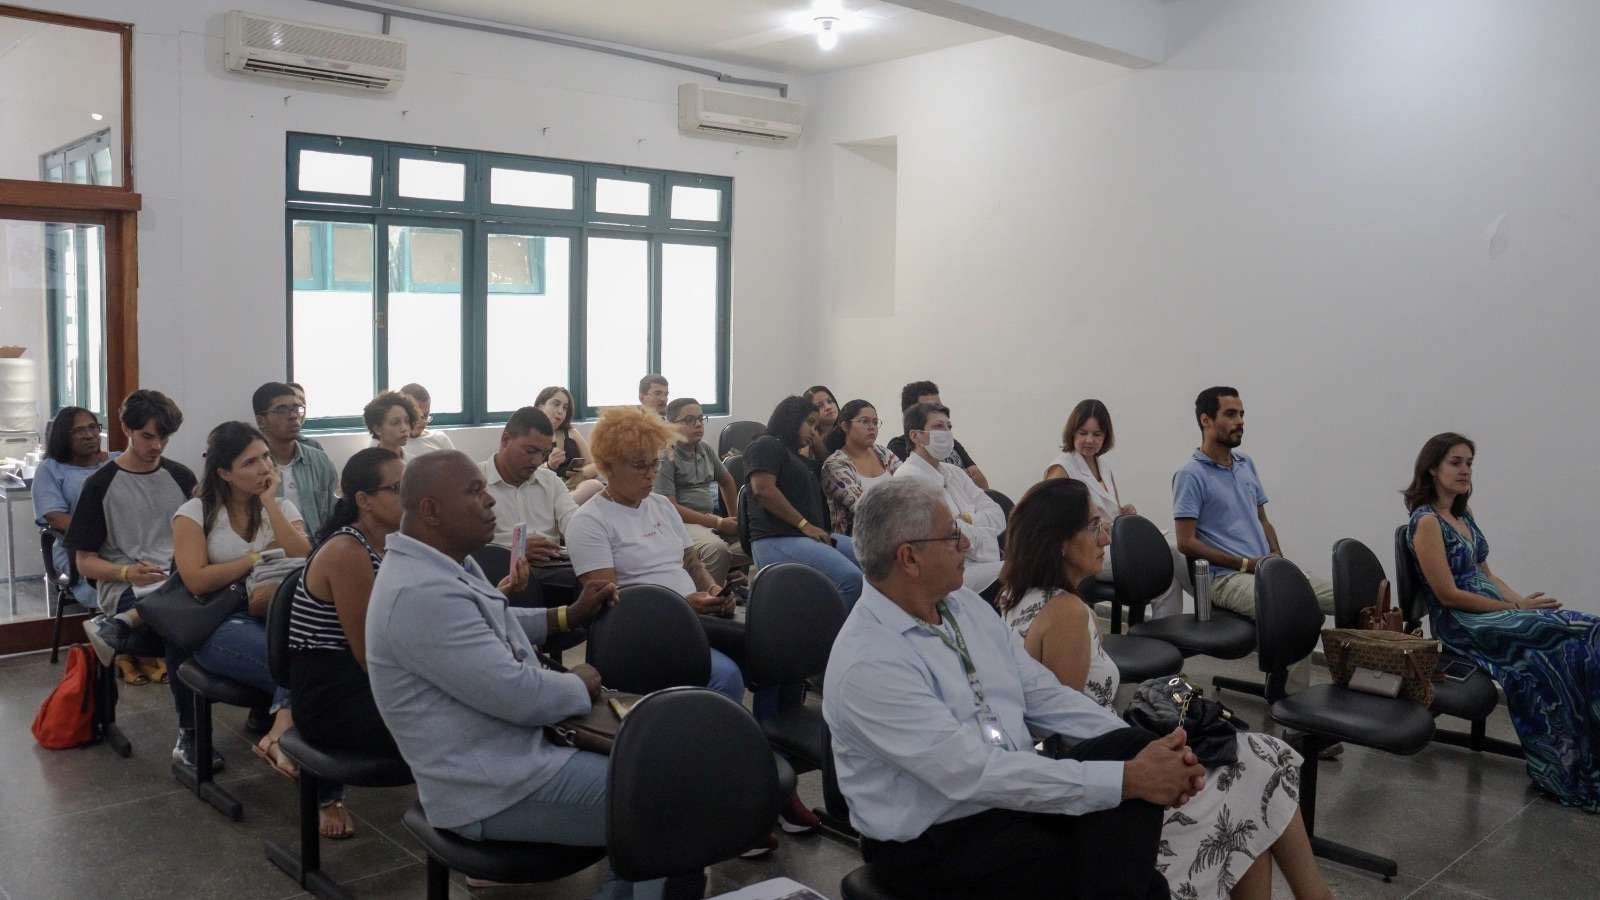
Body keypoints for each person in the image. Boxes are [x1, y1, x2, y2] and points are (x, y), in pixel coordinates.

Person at [823, 477, 1203, 900]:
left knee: (1128, 744)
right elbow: (972, 773)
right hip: (935, 840)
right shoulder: (869, 661)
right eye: (952, 535)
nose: (967, 543)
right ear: (909, 558)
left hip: (1007, 803)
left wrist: (1161, 751)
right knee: (1140, 881)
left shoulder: (962, 606)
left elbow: (1043, 693)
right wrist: (1126, 780)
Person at [363, 451, 697, 900]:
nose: (490, 503)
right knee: (673, 802)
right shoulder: (419, 593)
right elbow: (520, 695)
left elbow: (492, 623)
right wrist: (578, 682)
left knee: (660, 769)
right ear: (430, 510)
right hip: (491, 785)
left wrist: (566, 615)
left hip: (516, 752)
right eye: (475, 492)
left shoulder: (444, 562)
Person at [997, 478, 1332, 900]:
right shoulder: (1065, 612)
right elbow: (1068, 732)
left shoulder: (1017, 598)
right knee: (1264, 759)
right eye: (1093, 527)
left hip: (1100, 769)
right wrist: (1155, 759)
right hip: (1104, 795)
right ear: (1060, 542)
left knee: (1254, 774)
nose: (1105, 538)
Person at [1405, 433, 1600, 812]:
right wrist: (1511, 612)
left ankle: (1585, 753)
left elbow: (1488, 575)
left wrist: (1521, 602)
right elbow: (1447, 595)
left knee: (1584, 630)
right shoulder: (1426, 522)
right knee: (1573, 633)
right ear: (1432, 468)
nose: (1465, 470)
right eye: (1456, 462)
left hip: (1491, 610)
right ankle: (1564, 766)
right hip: (1462, 622)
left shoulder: (1463, 516)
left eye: (1469, 463)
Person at [68, 391, 210, 767]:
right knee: (181, 625)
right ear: (127, 429)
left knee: (206, 600)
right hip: (126, 586)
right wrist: (126, 571)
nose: (157, 446)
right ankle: (192, 734)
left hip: (178, 581)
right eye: (148, 437)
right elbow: (84, 563)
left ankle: (227, 719)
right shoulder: (101, 485)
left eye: (165, 438)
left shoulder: (180, 476)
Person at [566, 406, 744, 702]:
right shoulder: (589, 521)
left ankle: (766, 735)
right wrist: (682, 607)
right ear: (608, 465)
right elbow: (609, 602)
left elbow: (693, 564)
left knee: (776, 648)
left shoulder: (661, 505)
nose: (651, 475)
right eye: (640, 466)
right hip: (643, 631)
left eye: (655, 464)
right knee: (726, 677)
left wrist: (714, 591)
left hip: (694, 618)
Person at [169, 421, 311, 784]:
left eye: (265, 456)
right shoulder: (194, 513)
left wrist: (269, 504)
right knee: (304, 670)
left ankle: (281, 730)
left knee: (316, 663)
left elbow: (304, 556)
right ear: (224, 473)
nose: (265, 467)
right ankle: (296, 753)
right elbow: (197, 580)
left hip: (275, 614)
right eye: (250, 462)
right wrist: (255, 559)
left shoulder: (281, 506)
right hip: (218, 623)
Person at [290, 447, 406, 839]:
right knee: (448, 720)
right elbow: (369, 656)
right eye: (397, 488)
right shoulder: (348, 550)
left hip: (361, 681)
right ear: (364, 501)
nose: (407, 496)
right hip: (332, 695)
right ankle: (463, 824)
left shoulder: (392, 542)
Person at [33, 407, 150, 683]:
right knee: (127, 580)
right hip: (81, 549)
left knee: (160, 576)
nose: (89, 435)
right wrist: (103, 533)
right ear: (63, 435)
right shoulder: (51, 470)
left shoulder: (117, 461)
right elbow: (55, 517)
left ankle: (130, 643)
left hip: (130, 545)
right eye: (79, 430)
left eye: (93, 427)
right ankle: (130, 653)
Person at [1046, 399, 1186, 619]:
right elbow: (1051, 522)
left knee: (1168, 572)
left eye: (1097, 434)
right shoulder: (1062, 467)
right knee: (1165, 554)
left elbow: (1110, 511)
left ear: (1106, 436)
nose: (1089, 440)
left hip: (1113, 545)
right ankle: (1208, 597)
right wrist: (1098, 526)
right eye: (1083, 433)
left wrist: (1123, 513)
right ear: (1072, 432)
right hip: (1086, 551)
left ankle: (1163, 637)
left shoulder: (1104, 467)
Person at [744, 396, 863, 609]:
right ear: (792, 419)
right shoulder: (766, 444)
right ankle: (828, 638)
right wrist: (804, 525)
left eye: (816, 427)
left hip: (808, 536)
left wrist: (813, 438)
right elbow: (763, 490)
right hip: (777, 537)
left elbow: (828, 465)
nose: (813, 431)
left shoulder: (799, 458)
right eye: (809, 422)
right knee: (851, 580)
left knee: (877, 564)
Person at [894, 403, 1005, 597]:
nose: (946, 433)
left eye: (949, 427)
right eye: (938, 427)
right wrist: (985, 537)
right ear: (915, 436)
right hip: (949, 575)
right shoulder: (907, 478)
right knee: (1027, 571)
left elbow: (997, 516)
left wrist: (968, 519)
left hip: (983, 563)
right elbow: (950, 536)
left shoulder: (954, 472)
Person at [481, 407, 581, 608]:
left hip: (554, 568)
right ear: (506, 440)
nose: (537, 461)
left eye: (544, 454)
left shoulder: (550, 482)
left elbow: (574, 521)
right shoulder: (474, 482)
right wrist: (515, 549)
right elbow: (462, 543)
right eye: (530, 451)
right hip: (500, 572)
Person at [657, 397, 749, 586]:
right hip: (679, 523)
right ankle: (707, 602)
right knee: (717, 549)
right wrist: (718, 522)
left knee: (757, 537)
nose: (698, 424)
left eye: (701, 418)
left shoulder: (704, 448)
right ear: (670, 424)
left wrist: (734, 518)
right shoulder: (666, 454)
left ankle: (723, 579)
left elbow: (727, 481)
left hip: (707, 519)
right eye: (690, 420)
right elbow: (670, 508)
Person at [253, 381, 338, 538]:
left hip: (317, 553)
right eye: (281, 410)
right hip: (269, 555)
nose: (293, 416)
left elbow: (332, 514)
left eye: (296, 408)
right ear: (260, 421)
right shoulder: (252, 466)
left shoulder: (319, 460)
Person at [886, 380, 989, 489]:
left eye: (939, 406)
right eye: (930, 408)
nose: (939, 412)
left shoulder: (950, 441)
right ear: (911, 414)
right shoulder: (898, 446)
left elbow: (978, 478)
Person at [820, 399, 899, 536]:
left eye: (875, 422)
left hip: (897, 530)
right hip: (858, 541)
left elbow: (909, 486)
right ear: (845, 426)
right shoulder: (835, 465)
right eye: (864, 421)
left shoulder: (883, 453)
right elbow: (864, 507)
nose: (872, 427)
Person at [535, 385, 593, 490]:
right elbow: (526, 476)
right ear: (540, 406)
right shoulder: (529, 436)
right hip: (547, 492)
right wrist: (549, 466)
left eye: (565, 407)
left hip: (575, 489)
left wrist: (579, 476)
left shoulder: (572, 433)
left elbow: (594, 465)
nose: (560, 411)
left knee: (593, 486)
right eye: (556, 404)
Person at [398, 383, 455, 455]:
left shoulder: (440, 439)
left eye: (425, 415)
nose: (421, 421)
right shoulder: (391, 444)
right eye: (415, 414)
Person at [365, 391, 419, 460]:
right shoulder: (367, 464)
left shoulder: (413, 463)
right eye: (395, 423)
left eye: (407, 421)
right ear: (377, 429)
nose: (404, 428)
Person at [803, 385, 840, 462]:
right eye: (819, 406)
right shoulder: (806, 440)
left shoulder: (849, 432)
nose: (828, 407)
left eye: (830, 401)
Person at [285, 382, 323, 451]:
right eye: (293, 404)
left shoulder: (314, 446)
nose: (294, 415)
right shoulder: (263, 446)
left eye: (301, 404)